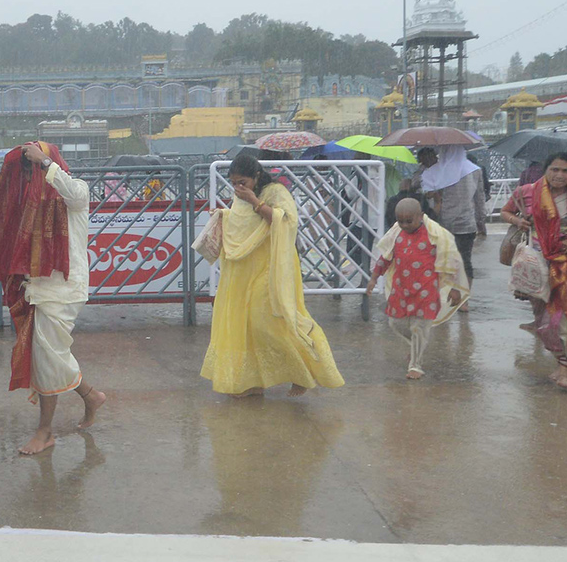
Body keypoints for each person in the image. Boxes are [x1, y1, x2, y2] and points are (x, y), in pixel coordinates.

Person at [0, 141, 106, 455]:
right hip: (36, 289)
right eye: (26, 169)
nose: (30, 175)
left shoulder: (72, 190)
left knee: (48, 358)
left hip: (65, 289)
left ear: (50, 162)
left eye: (35, 167)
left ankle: (45, 431)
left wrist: (45, 164)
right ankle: (90, 395)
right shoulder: (28, 205)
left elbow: (77, 194)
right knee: (49, 357)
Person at [200, 153, 345, 397]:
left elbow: (286, 222)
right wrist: (223, 215)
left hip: (271, 266)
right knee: (246, 325)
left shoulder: (275, 191)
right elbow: (242, 222)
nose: (237, 187)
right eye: (233, 183)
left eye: (242, 182)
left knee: (267, 321)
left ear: (256, 176)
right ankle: (251, 382)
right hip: (243, 267)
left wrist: (255, 201)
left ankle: (304, 373)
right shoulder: (242, 195)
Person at [501, 152, 567, 389]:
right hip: (538, 266)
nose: (559, 175)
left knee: (561, 319)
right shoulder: (528, 192)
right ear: (546, 169)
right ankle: (559, 360)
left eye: (566, 171)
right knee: (543, 319)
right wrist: (518, 221)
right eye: (555, 169)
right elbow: (505, 211)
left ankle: (564, 370)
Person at [366, 198, 468, 380]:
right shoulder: (395, 235)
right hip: (401, 290)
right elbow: (386, 257)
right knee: (394, 322)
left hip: (426, 291)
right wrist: (374, 277)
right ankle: (415, 347)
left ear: (420, 216)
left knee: (419, 328)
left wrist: (454, 288)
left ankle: (415, 365)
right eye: (400, 221)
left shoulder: (435, 234)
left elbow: (452, 259)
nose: (404, 225)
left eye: (409, 221)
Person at [418, 145, 483, 310]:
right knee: (465, 261)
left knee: (443, 260)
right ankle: (464, 300)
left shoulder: (438, 171)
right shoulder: (474, 170)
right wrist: (480, 221)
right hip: (467, 224)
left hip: (442, 224)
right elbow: (479, 199)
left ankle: (447, 295)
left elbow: (428, 195)